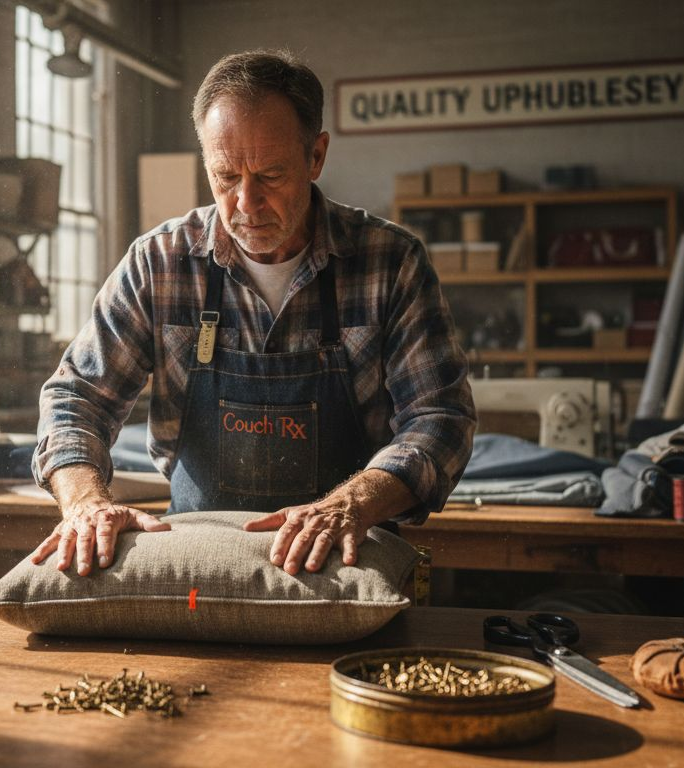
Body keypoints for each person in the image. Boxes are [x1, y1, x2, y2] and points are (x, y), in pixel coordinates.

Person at [29, 49, 475, 578]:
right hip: (197, 554)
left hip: (345, 557)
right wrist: (85, 502)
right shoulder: (161, 263)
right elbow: (76, 397)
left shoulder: (389, 263)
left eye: (270, 175)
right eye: (225, 176)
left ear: (316, 157)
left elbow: (440, 419)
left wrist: (350, 505)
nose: (246, 202)